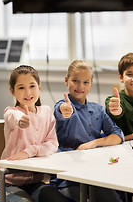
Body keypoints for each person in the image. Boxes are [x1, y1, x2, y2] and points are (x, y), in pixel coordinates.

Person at [51, 60, 124, 202]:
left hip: (94, 173)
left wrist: (95, 143)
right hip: (68, 177)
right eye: (75, 81)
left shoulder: (98, 109)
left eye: (86, 82)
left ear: (91, 83)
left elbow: (117, 135)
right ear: (66, 81)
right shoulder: (63, 105)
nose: (80, 86)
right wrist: (65, 111)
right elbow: (61, 111)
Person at [0, 65, 68, 202]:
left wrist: (29, 151)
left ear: (39, 87)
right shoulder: (11, 112)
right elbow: (13, 117)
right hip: (8, 184)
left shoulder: (46, 112)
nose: (28, 93)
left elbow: (52, 144)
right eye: (21, 88)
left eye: (32, 86)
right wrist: (21, 120)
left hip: (36, 184)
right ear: (12, 90)